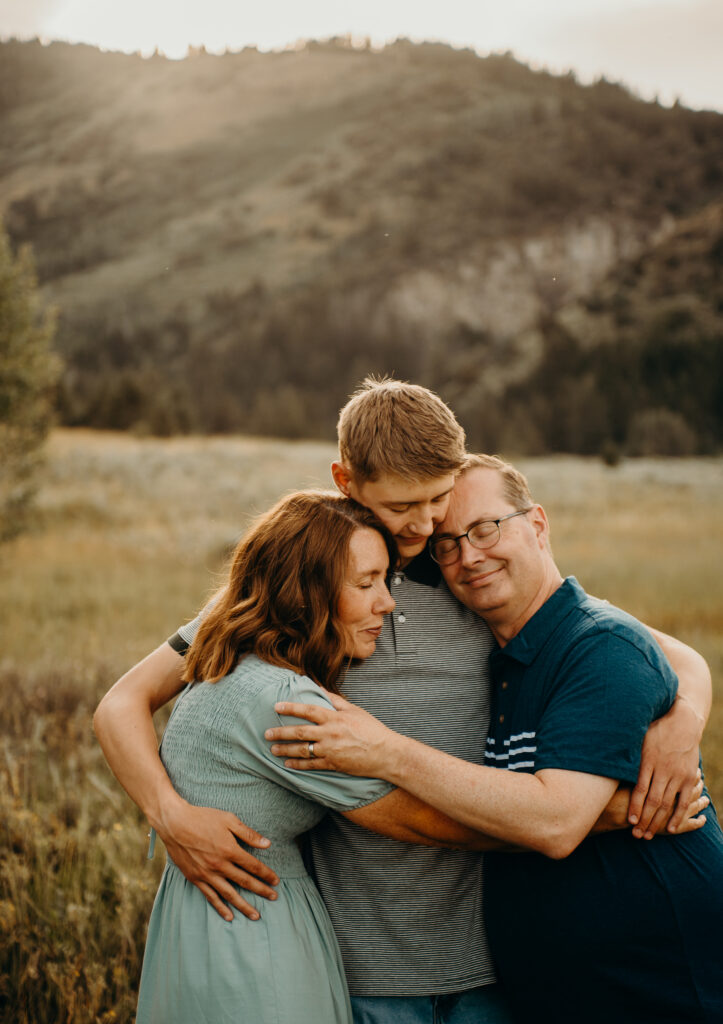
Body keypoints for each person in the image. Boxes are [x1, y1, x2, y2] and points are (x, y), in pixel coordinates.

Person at [94, 379, 712, 1024]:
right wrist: (168, 813)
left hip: (492, 953)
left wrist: (682, 721)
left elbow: (662, 653)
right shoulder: (305, 585)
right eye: (402, 505)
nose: (424, 524)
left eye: (438, 498)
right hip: (364, 959)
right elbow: (124, 702)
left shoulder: (471, 572)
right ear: (346, 482)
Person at [267, 455, 723, 1023]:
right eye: (448, 543)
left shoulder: (597, 648)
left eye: (486, 529)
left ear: (537, 525)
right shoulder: (503, 651)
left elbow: (555, 823)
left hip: (663, 991)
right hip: (557, 994)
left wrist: (386, 751)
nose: (468, 555)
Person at [133, 489, 524, 1024]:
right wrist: (568, 819)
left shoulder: (228, 662)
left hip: (197, 928)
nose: (387, 604)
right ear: (304, 595)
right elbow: (422, 822)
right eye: (365, 585)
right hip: (255, 936)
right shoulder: (286, 702)